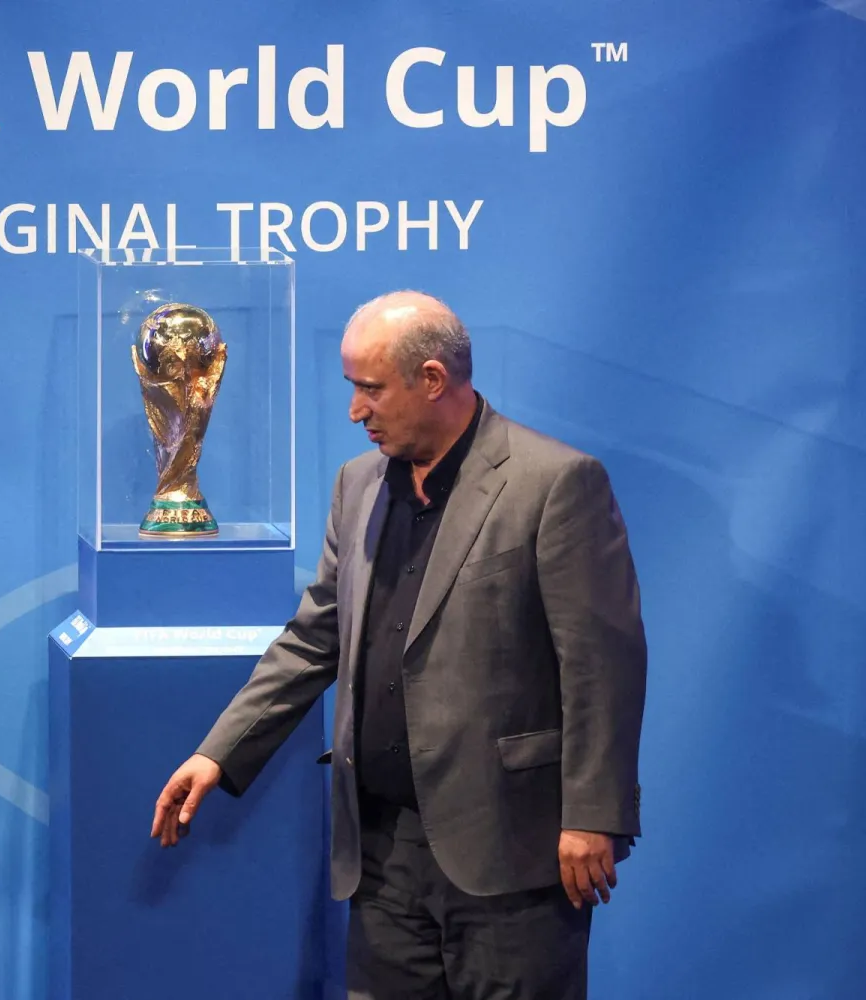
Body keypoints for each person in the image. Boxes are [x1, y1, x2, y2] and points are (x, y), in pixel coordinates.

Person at [152, 291, 646, 999]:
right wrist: (219, 751)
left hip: (511, 852)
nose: (356, 410)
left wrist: (593, 814)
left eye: (370, 389)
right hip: (380, 857)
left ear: (434, 379)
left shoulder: (554, 483)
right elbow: (316, 635)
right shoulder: (358, 486)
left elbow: (602, 667)